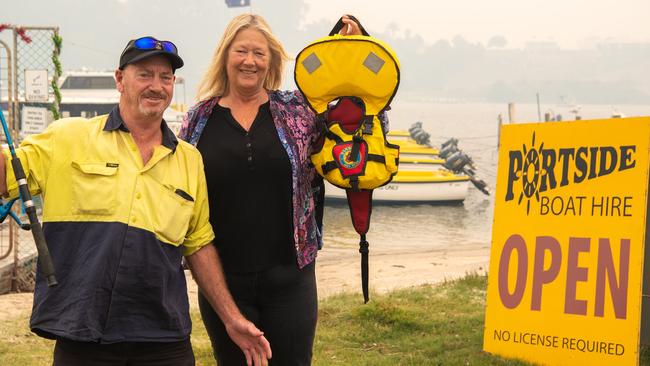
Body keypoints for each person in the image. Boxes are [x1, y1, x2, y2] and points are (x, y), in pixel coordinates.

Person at [0, 36, 271, 366]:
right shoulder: (67, 137)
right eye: (145, 74)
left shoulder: (189, 160)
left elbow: (198, 244)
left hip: (163, 337)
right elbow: (7, 175)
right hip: (82, 333)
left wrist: (231, 318)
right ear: (120, 79)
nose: (156, 86)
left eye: (165, 77)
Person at [179, 14, 364, 365]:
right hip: (224, 284)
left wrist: (350, 51)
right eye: (242, 51)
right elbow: (179, 194)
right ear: (226, 56)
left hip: (290, 280)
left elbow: (358, 121)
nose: (250, 61)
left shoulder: (298, 111)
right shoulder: (197, 119)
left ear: (271, 61)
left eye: (259, 54)